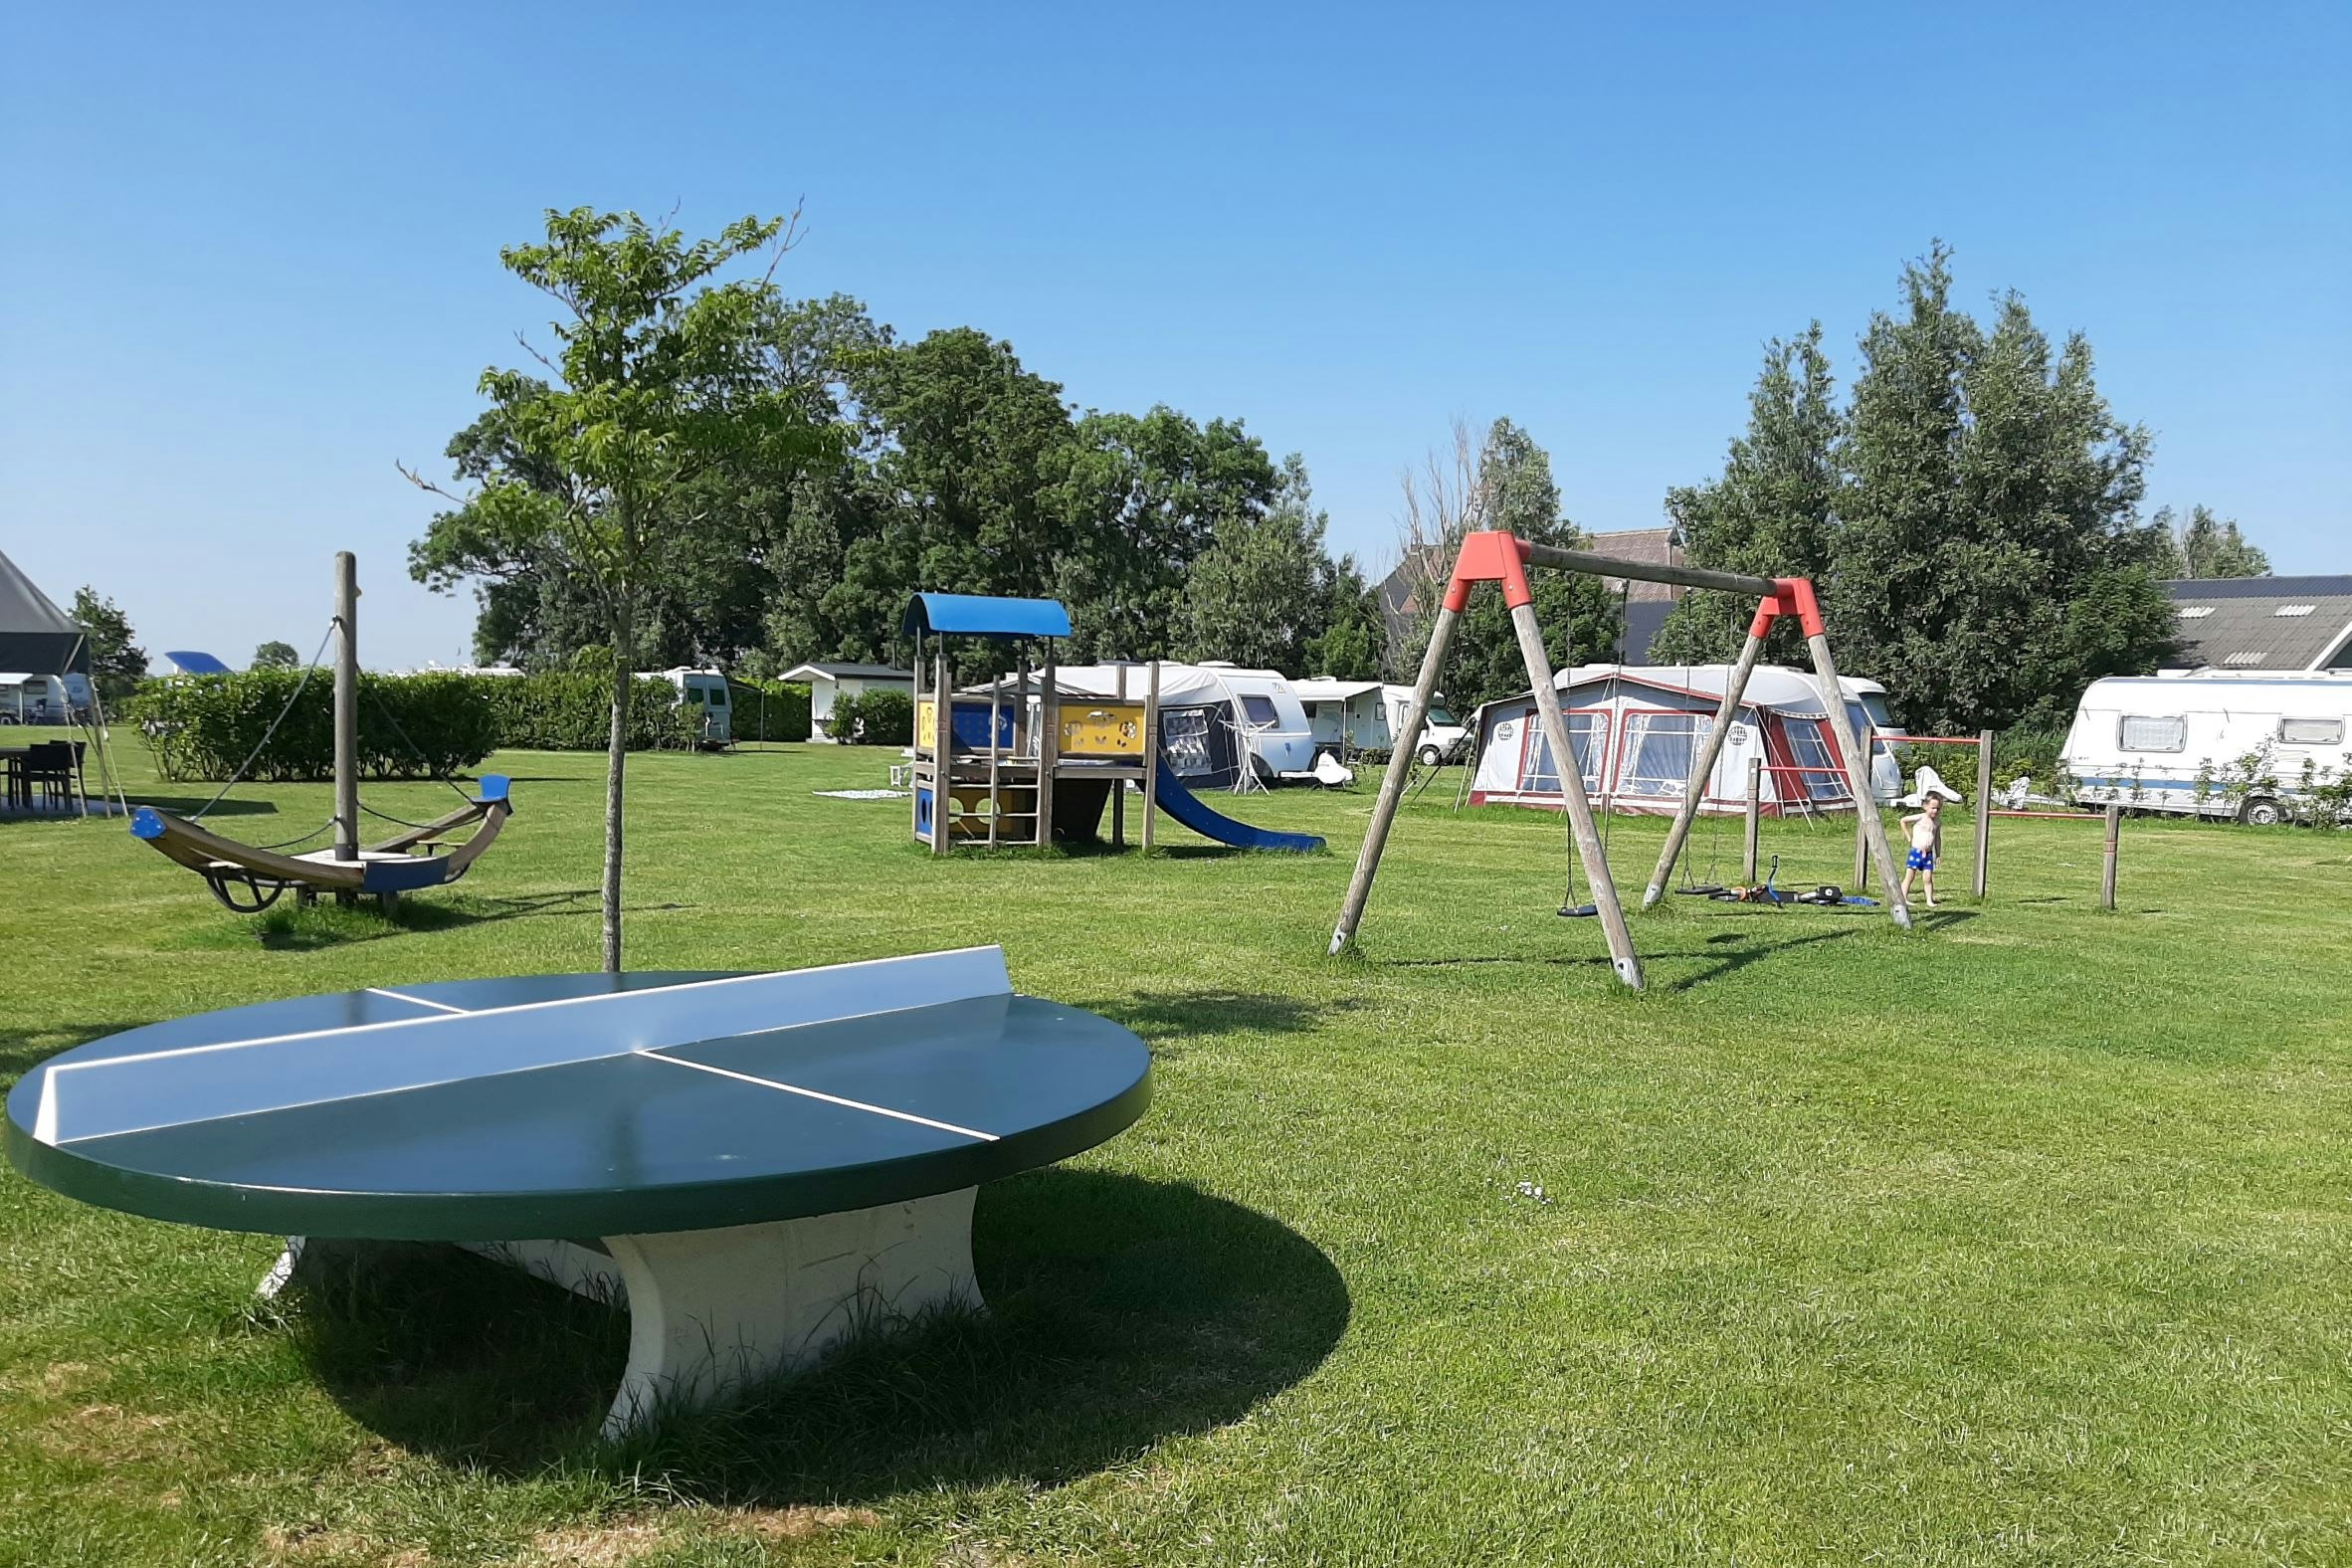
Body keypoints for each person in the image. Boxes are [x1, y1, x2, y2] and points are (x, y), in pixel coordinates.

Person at [1899, 795, 1943, 908]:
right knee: (1910, 875)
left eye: (1938, 808)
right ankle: (1903, 897)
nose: (1935, 811)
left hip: (1928, 854)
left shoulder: (1937, 822)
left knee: (1928, 877)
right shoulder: (1920, 817)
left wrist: (1938, 854)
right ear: (1925, 806)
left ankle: (1929, 899)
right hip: (1916, 852)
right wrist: (1908, 836)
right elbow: (1903, 820)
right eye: (1933, 808)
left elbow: (1937, 838)